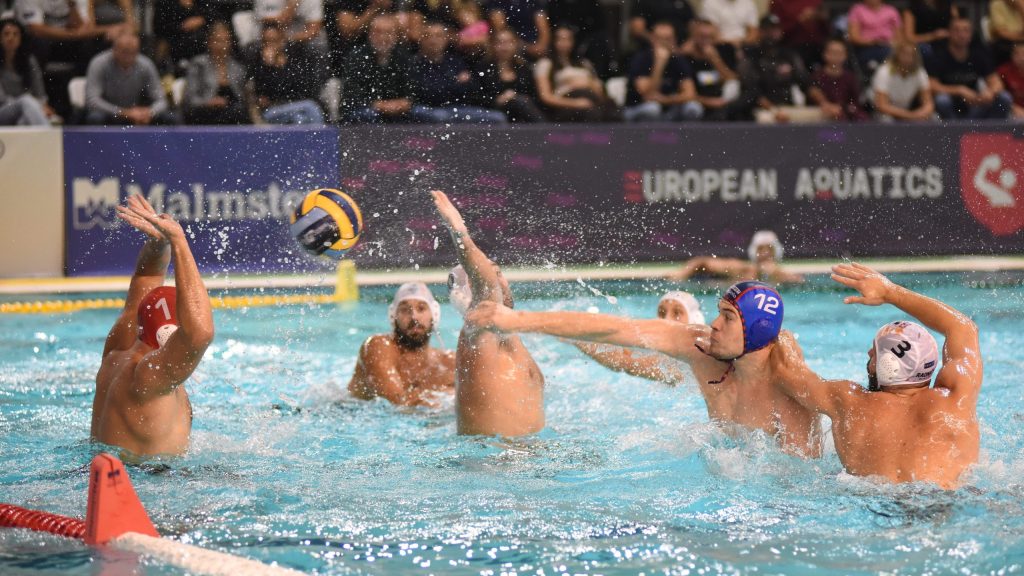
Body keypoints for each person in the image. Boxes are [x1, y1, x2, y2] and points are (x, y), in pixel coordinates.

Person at [467, 281, 822, 456]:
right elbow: (618, 331)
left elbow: (800, 480)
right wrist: (521, 320)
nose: (714, 325)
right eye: (717, 313)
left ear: (755, 330)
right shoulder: (698, 349)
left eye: (727, 318)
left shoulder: (788, 384)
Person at [770, 263, 981, 489]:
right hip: (944, 501)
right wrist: (890, 292)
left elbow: (785, 371)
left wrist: (778, 334)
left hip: (870, 501)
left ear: (887, 366)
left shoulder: (848, 401)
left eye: (875, 352)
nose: (869, 353)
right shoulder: (956, 399)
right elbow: (963, 328)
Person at [92, 194, 214, 458]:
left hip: (102, 468)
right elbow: (199, 333)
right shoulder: (151, 376)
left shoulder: (118, 350)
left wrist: (160, 243)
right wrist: (179, 241)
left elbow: (146, 277)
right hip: (146, 478)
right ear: (169, 333)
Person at [432, 190, 545, 437]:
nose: (500, 282)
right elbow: (486, 285)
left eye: (500, 273)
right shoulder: (478, 330)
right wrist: (459, 232)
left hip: (524, 454)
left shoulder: (507, 336)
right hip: (491, 458)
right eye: (492, 276)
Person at [348, 282, 455, 407]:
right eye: (405, 310)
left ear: (434, 315)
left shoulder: (449, 363)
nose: (414, 317)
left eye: (421, 308)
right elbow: (397, 404)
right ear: (393, 316)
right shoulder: (378, 347)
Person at [570, 291, 704, 386]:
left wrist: (575, 338)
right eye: (662, 313)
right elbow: (625, 354)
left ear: (695, 321)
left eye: (677, 313)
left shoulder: (695, 360)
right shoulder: (662, 354)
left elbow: (625, 363)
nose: (666, 319)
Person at [408, 20, 506, 123]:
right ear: (421, 40)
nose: (433, 40)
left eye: (438, 36)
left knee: (497, 118)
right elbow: (427, 93)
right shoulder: (414, 63)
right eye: (428, 36)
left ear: (446, 39)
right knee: (440, 117)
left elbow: (472, 88)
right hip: (427, 108)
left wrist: (444, 86)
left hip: (456, 108)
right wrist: (455, 83)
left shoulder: (455, 61)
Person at [84, 31, 179, 125]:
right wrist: (123, 112)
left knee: (171, 117)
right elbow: (92, 101)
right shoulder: (99, 63)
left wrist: (149, 112)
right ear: (114, 49)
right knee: (95, 117)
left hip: (139, 114)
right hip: (110, 113)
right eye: (125, 51)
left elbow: (161, 100)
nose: (129, 56)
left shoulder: (146, 65)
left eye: (133, 52)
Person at [926, 17, 1012, 119]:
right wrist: (959, 90)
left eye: (966, 30)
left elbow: (996, 82)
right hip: (951, 103)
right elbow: (932, 86)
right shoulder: (939, 55)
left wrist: (990, 92)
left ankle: (993, 129)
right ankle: (953, 129)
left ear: (971, 34)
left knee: (1004, 98)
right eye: (957, 30)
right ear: (949, 33)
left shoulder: (979, 55)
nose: (961, 35)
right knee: (942, 100)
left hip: (974, 102)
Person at [747, 14, 823, 124]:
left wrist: (824, 103)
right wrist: (774, 111)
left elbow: (807, 83)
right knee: (765, 118)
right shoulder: (753, 57)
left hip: (789, 107)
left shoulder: (789, 55)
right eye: (767, 29)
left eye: (775, 29)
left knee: (825, 115)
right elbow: (753, 92)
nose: (771, 33)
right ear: (760, 32)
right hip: (764, 110)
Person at [534, 26, 619, 122]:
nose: (564, 43)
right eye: (560, 39)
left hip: (591, 98)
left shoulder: (584, 63)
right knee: (592, 112)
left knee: (611, 111)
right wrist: (576, 103)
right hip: (566, 104)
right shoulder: (546, 63)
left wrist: (588, 84)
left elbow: (600, 91)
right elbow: (545, 96)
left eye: (568, 39)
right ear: (553, 41)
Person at [339, 13, 413, 123]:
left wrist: (404, 103)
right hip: (364, 109)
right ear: (370, 34)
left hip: (397, 109)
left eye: (388, 32)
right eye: (378, 32)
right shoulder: (356, 57)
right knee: (369, 115)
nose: (383, 37)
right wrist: (380, 105)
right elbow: (352, 96)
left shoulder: (403, 57)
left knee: (421, 113)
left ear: (396, 36)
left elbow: (411, 90)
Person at [623, 21, 702, 122]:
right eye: (660, 39)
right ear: (653, 39)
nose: (664, 43)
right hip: (638, 108)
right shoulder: (642, 59)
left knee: (694, 108)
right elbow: (647, 95)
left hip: (669, 108)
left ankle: (687, 133)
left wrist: (665, 100)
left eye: (668, 39)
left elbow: (690, 94)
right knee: (652, 109)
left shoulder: (678, 60)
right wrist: (659, 63)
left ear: (674, 40)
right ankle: (647, 133)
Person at [251, 22, 324, 125]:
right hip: (273, 110)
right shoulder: (259, 63)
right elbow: (265, 95)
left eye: (274, 40)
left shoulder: (295, 57)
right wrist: (269, 67)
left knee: (299, 119)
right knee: (310, 107)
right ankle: (321, 135)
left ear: (282, 40)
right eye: (267, 41)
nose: (271, 45)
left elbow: (303, 86)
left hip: (297, 105)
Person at [667, 230, 804, 284]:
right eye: (761, 249)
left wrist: (775, 273)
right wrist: (679, 275)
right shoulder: (740, 269)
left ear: (776, 252)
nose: (765, 253)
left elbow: (801, 283)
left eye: (769, 249)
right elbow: (701, 262)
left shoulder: (783, 276)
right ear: (753, 251)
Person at [182, 20, 249, 125]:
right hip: (204, 112)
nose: (223, 45)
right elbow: (190, 99)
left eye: (226, 40)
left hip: (233, 114)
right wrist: (208, 102)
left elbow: (243, 99)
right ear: (209, 42)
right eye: (218, 41)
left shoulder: (238, 68)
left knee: (239, 112)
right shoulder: (198, 65)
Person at [475, 27, 545, 122]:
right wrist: (497, 100)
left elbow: (534, 96)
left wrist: (515, 96)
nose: (505, 47)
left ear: (516, 44)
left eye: (509, 42)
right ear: (493, 45)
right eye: (500, 42)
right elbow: (476, 97)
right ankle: (546, 130)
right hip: (494, 110)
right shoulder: (483, 68)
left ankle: (544, 129)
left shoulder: (524, 68)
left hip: (522, 112)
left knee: (521, 102)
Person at [680, 19, 740, 121]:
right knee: (692, 108)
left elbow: (731, 78)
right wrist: (709, 102)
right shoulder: (686, 57)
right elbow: (686, 92)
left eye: (710, 37)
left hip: (720, 98)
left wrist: (715, 59)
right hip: (697, 100)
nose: (706, 41)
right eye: (702, 36)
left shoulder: (724, 50)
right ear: (693, 36)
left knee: (734, 85)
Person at [0, 17, 52, 125]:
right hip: (3, 110)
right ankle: (48, 133)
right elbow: (2, 99)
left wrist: (41, 105)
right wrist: (31, 105)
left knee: (24, 121)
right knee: (26, 101)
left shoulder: (29, 61)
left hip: (26, 109)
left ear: (21, 38)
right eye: (6, 34)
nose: (11, 37)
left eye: (15, 34)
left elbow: (40, 93)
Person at [871, 41, 936, 121]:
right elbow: (881, 105)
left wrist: (920, 114)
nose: (907, 58)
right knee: (886, 119)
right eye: (904, 54)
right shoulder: (884, 71)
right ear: (897, 55)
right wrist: (909, 115)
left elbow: (929, 103)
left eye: (911, 55)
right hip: (887, 113)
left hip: (909, 111)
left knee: (934, 117)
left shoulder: (919, 72)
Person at [809, 39, 867, 121]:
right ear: (825, 54)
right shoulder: (817, 76)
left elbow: (855, 101)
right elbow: (814, 92)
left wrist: (843, 109)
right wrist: (826, 105)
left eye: (840, 53)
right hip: (823, 111)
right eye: (833, 52)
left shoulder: (851, 77)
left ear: (845, 55)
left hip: (846, 112)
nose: (836, 56)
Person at [847, 0, 903, 73]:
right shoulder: (857, 10)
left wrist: (892, 43)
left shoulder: (892, 11)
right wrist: (874, 41)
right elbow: (854, 37)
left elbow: (899, 37)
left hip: (889, 46)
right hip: (865, 47)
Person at [997, 42, 1024, 118]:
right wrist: (1013, 107)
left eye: (1023, 54)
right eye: (1017, 54)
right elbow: (999, 94)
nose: (1021, 58)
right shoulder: (1004, 71)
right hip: (1011, 111)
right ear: (1012, 55)